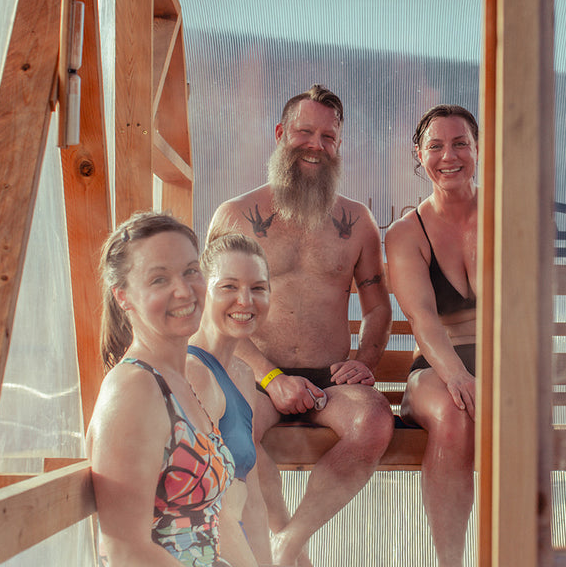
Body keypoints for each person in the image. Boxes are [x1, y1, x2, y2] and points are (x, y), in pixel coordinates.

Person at [209, 85, 394, 567]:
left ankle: (289, 543)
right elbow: (215, 312)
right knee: (232, 427)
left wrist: (363, 363)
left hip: (329, 378)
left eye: (328, 136)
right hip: (256, 376)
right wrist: (271, 377)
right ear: (280, 134)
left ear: (338, 145)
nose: (316, 144)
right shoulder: (235, 216)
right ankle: (282, 542)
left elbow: (377, 309)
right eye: (304, 132)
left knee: (374, 422)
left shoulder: (357, 220)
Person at [87, 212, 236, 566]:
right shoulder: (132, 391)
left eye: (190, 271)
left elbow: (216, 524)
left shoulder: (189, 381)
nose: (184, 291)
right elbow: (126, 551)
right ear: (123, 296)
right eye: (158, 279)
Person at [384, 104, 479, 567]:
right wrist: (460, 377)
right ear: (419, 156)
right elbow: (423, 319)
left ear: (478, 150)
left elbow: (519, 307)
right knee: (455, 415)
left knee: (517, 417)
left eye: (460, 142)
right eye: (436, 146)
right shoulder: (407, 233)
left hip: (501, 359)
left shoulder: (506, 216)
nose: (449, 155)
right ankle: (450, 562)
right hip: (439, 365)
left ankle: (519, 551)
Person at [186, 232, 275, 565]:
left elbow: (251, 500)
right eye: (229, 287)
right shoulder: (191, 371)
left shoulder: (241, 375)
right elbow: (205, 504)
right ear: (202, 290)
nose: (245, 301)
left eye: (258, 288)